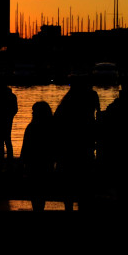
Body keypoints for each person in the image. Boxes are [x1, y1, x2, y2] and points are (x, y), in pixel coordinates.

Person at [54, 75, 100, 210]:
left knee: (69, 182)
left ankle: (70, 206)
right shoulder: (91, 96)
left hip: (69, 146)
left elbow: (57, 120)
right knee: (84, 181)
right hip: (85, 144)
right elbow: (97, 114)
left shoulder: (67, 101)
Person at [21, 100, 56, 211]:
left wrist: (22, 163)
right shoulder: (51, 126)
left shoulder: (32, 127)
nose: (32, 113)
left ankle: (37, 209)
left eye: (34, 111)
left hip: (34, 162)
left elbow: (25, 147)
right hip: (46, 162)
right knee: (42, 190)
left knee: (35, 191)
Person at [0, 83, 18, 160]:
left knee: (0, 141)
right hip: (7, 120)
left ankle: (1, 158)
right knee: (7, 139)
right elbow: (15, 109)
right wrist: (10, 115)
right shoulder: (12, 96)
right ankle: (9, 158)